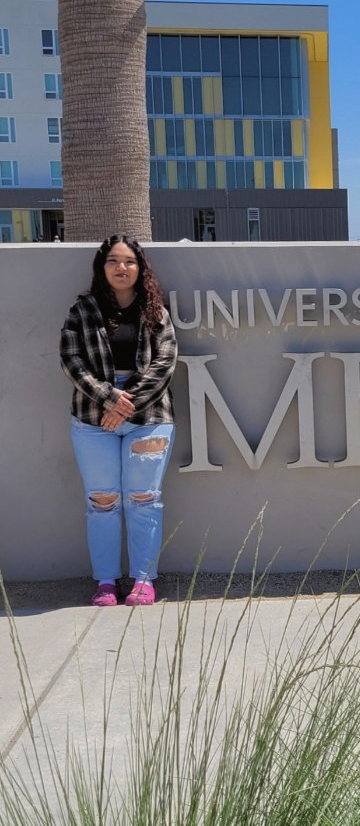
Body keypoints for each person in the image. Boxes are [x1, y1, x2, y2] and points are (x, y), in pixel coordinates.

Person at [60, 235, 178, 606]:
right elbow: (71, 359)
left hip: (150, 416)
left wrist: (127, 404)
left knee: (144, 499)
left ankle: (144, 580)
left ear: (140, 268)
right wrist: (110, 397)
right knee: (103, 500)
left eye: (129, 261)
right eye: (113, 261)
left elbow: (166, 362)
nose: (121, 268)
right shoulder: (83, 310)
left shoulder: (155, 310)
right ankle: (107, 583)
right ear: (102, 267)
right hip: (93, 416)